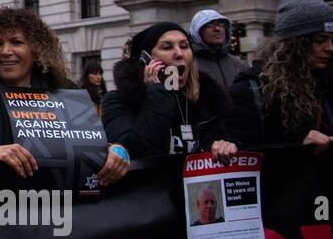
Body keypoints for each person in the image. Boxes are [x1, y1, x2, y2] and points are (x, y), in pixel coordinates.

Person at [0, 6, 129, 185]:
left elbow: (90, 145)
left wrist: (115, 151)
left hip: (59, 214)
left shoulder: (67, 92)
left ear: (36, 50)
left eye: (16, 42)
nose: (5, 51)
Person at [225, 0, 333, 150]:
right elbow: (243, 155)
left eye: (332, 39)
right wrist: (298, 148)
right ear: (294, 44)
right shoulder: (252, 91)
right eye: (320, 39)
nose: (330, 48)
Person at [101, 22, 236, 162]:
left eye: (184, 46)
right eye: (167, 47)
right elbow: (132, 153)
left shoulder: (206, 101)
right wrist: (158, 92)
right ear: (146, 60)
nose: (179, 54)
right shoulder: (118, 102)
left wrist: (224, 147)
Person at [188, 9, 248, 94]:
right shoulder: (188, 63)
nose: (217, 29)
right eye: (210, 25)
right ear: (197, 31)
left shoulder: (238, 63)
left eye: (221, 24)